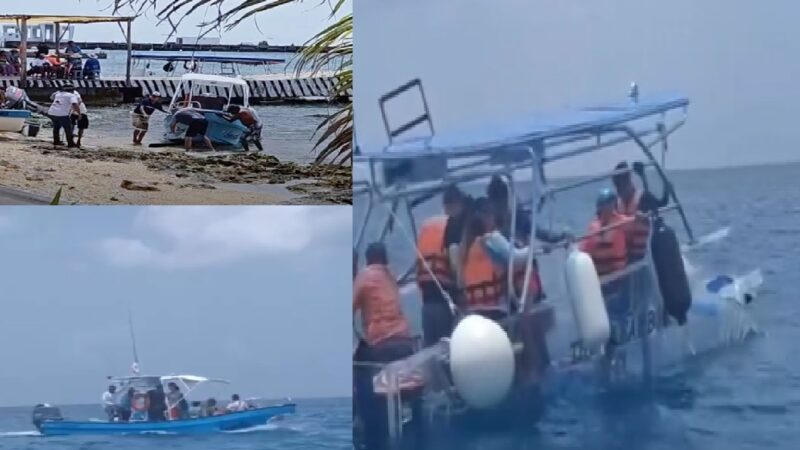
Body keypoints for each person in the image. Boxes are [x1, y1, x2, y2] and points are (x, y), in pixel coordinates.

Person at [352, 242, 414, 450]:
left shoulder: (365, 276)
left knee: (364, 379)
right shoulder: (391, 276)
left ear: (367, 260)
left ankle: (370, 432)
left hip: (382, 346)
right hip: (405, 342)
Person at [416, 185, 465, 346]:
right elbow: (455, 262)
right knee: (449, 347)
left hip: (426, 305)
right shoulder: (452, 226)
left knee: (431, 348)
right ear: (457, 204)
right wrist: (462, 290)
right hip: (445, 303)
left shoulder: (427, 227)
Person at [612, 161, 670, 262]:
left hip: (640, 258)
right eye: (617, 187)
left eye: (621, 186)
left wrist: (666, 189)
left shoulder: (643, 197)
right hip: (622, 258)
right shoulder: (616, 203)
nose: (619, 191)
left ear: (629, 182)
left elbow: (662, 203)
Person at [580, 188, 628, 278]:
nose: (610, 206)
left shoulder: (621, 221)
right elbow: (584, 250)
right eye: (607, 204)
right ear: (600, 207)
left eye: (611, 203)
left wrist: (639, 217)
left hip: (618, 272)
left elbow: (632, 221)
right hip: (600, 274)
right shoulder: (593, 227)